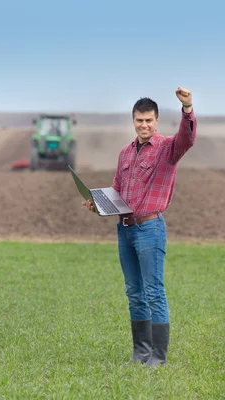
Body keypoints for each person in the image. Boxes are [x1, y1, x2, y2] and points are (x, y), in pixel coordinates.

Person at [82, 87, 197, 367]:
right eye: (139, 120)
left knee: (153, 290)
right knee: (134, 291)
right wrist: (98, 203)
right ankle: (140, 352)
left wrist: (188, 107)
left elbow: (188, 138)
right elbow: (119, 191)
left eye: (148, 120)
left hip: (150, 229)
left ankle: (158, 356)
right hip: (125, 230)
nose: (144, 125)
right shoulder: (125, 153)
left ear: (156, 121)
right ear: (133, 121)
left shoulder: (168, 149)